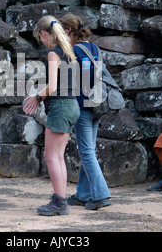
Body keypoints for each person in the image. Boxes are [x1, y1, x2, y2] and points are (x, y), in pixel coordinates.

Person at [23, 15, 80, 216]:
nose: (42, 42)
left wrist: (36, 97)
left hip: (61, 106)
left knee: (51, 155)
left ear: (44, 33)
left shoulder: (54, 54)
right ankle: (60, 198)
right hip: (71, 105)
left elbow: (54, 86)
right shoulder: (68, 51)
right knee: (57, 156)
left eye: (41, 38)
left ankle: (59, 202)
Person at [59, 13, 111, 210]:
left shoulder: (72, 51)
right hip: (97, 105)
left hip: (82, 105)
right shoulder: (94, 47)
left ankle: (101, 195)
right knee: (87, 149)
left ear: (67, 31)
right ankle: (83, 194)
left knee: (86, 151)